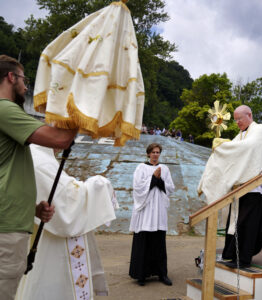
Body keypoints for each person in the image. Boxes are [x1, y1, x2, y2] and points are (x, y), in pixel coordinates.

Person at [0, 55, 77, 299]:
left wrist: (32, 209)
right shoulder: (4, 109)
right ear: (11, 77)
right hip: (6, 229)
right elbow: (60, 140)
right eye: (24, 79)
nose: (26, 86)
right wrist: (83, 106)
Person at [16, 144, 118, 300]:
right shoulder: (41, 161)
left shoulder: (37, 155)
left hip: (35, 229)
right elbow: (67, 203)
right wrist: (99, 185)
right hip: (51, 240)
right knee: (52, 283)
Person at [198, 105, 262, 268]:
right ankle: (232, 255)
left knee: (247, 223)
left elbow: (246, 148)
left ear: (249, 115)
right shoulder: (241, 135)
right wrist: (222, 146)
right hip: (240, 187)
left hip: (254, 187)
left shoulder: (259, 130)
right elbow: (234, 150)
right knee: (235, 221)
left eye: (240, 119)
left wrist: (223, 145)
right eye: (236, 119)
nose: (237, 122)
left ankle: (244, 259)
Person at [129, 143, 175, 286]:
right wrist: (153, 178)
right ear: (148, 154)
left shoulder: (165, 169)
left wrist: (159, 179)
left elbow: (170, 188)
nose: (155, 154)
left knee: (159, 243)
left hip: (159, 210)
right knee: (144, 242)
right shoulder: (141, 168)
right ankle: (141, 275)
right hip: (146, 211)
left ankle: (162, 274)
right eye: (153, 152)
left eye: (158, 152)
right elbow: (137, 187)